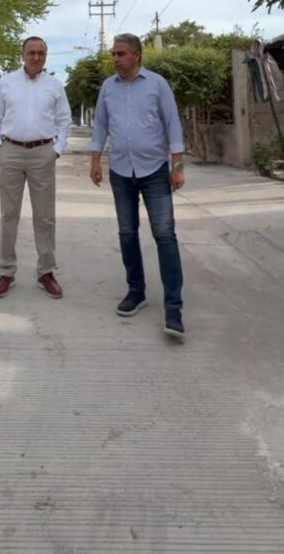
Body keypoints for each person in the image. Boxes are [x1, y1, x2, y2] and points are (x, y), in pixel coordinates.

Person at [90, 33, 186, 339]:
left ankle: (173, 308)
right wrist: (95, 161)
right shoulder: (108, 87)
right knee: (127, 233)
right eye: (113, 54)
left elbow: (172, 124)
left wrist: (177, 166)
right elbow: (100, 125)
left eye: (121, 54)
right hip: (120, 170)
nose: (115, 59)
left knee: (165, 235)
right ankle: (136, 291)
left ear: (137, 55)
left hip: (155, 170)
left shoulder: (157, 84)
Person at [0, 36, 72, 299]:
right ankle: (6, 271)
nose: (36, 57)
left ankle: (46, 271)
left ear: (46, 56)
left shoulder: (55, 86)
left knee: (45, 217)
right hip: (11, 152)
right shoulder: (6, 82)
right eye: (31, 52)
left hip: (43, 153)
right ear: (23, 54)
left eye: (41, 53)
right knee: (8, 214)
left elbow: (64, 119)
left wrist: (57, 149)